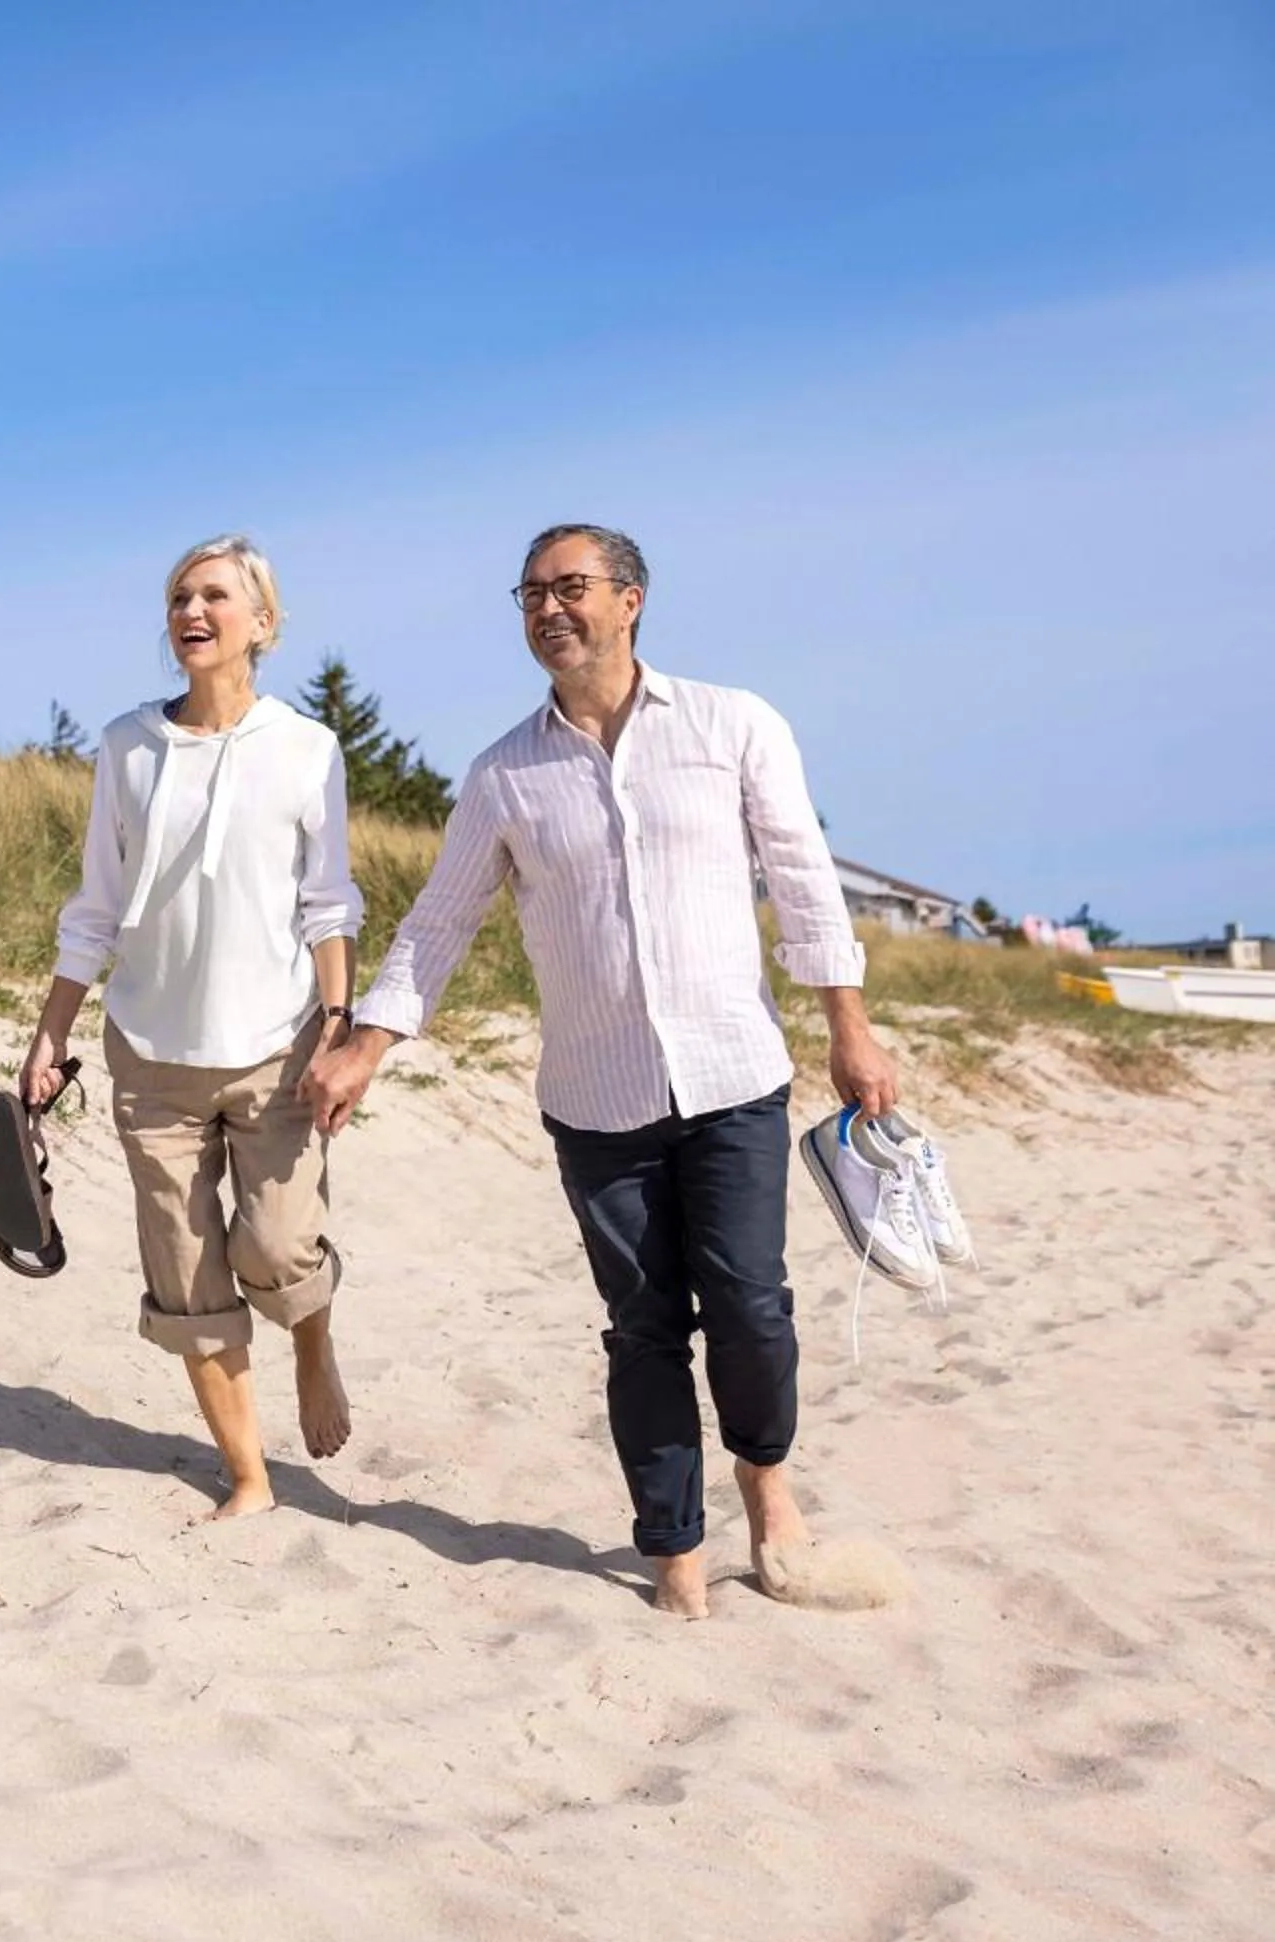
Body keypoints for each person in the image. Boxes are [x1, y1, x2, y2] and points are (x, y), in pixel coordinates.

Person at [299, 523, 898, 1619]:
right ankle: (673, 1549)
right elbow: (440, 925)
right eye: (530, 594)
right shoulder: (503, 776)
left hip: (733, 1079)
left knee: (753, 1307)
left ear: (631, 600)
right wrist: (369, 1044)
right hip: (595, 1098)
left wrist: (847, 1026)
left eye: (570, 587)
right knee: (643, 1329)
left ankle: (768, 1489)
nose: (548, 609)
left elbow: (807, 884)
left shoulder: (733, 724)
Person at [22, 534, 361, 1522]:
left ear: (263, 622)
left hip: (275, 1048)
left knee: (279, 1250)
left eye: (215, 595)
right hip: (150, 1053)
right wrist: (52, 1032)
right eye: (179, 595)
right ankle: (251, 1475)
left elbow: (329, 906)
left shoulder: (307, 749)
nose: (192, 610)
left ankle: (311, 1341)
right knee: (185, 1276)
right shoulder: (128, 744)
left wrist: (339, 1031)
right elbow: (95, 905)